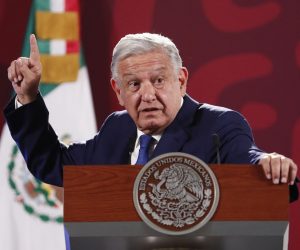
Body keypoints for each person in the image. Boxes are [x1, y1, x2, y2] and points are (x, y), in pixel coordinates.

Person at [4, 33, 298, 190]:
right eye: (133, 84)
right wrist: (28, 97)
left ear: (181, 80)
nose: (147, 95)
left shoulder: (218, 126)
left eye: (158, 80)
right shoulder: (116, 129)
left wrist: (268, 163)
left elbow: (249, 160)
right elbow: (54, 165)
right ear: (118, 91)